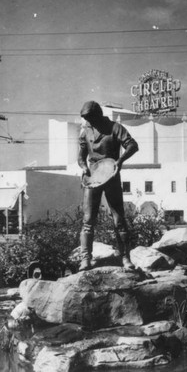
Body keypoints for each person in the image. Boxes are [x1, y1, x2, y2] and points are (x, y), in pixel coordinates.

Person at [77, 100, 139, 271]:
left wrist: (120, 161)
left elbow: (133, 145)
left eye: (90, 117)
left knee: (119, 219)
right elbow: (81, 157)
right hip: (93, 178)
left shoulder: (115, 128)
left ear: (98, 114)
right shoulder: (85, 132)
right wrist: (83, 167)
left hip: (111, 175)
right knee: (88, 220)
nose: (88, 121)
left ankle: (126, 258)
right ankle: (85, 259)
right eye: (86, 118)